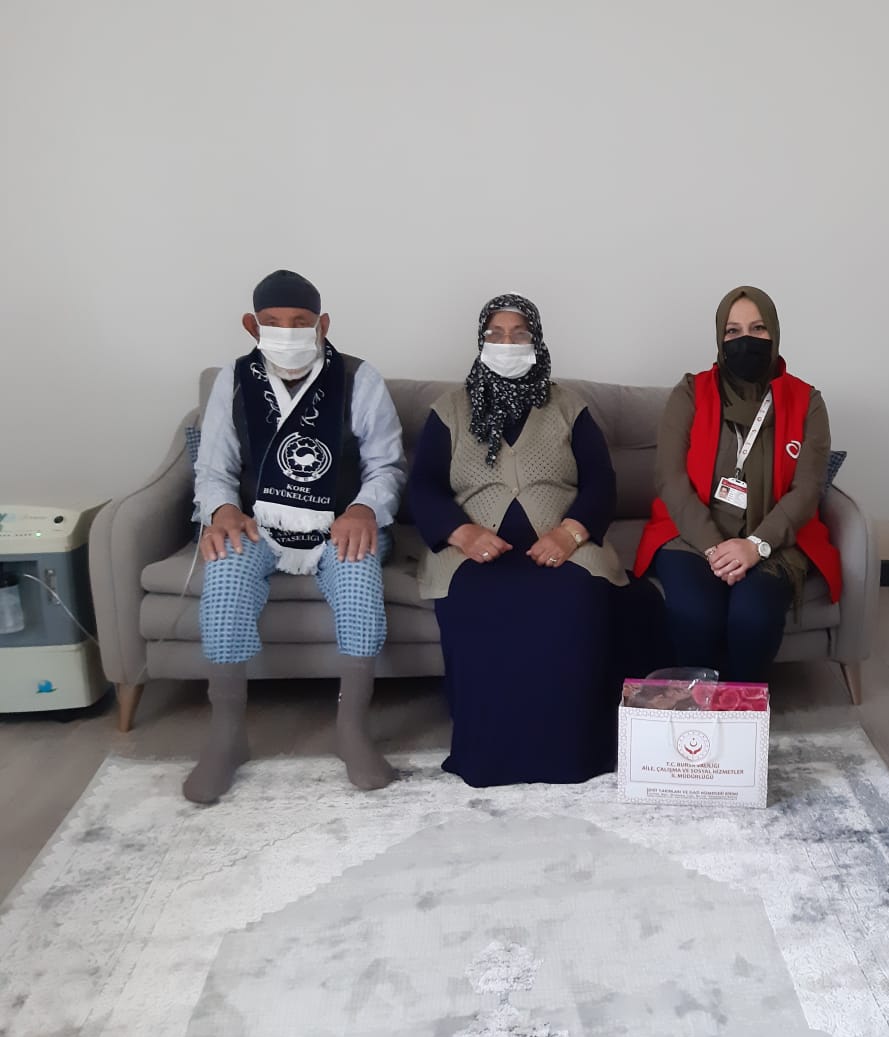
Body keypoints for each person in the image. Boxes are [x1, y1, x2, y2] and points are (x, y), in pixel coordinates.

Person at [190, 270, 406, 804]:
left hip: (340, 523)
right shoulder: (233, 380)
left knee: (358, 579)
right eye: (273, 322)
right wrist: (222, 510)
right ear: (252, 325)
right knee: (225, 574)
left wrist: (363, 509)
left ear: (322, 324)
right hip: (258, 524)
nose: (287, 332)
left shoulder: (359, 378)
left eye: (300, 322)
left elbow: (386, 466)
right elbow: (213, 467)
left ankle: (351, 730)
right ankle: (227, 735)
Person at [410, 293, 634, 787]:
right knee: (478, 608)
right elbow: (423, 485)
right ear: (480, 340)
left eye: (519, 334)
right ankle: (488, 756)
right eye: (495, 334)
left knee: (578, 601)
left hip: (564, 546)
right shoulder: (449, 409)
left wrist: (569, 534)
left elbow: (601, 481)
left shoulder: (568, 406)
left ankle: (576, 753)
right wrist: (462, 532)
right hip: (471, 553)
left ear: (537, 341)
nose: (506, 343)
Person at [634, 286, 841, 682]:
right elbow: (670, 478)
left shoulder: (807, 401)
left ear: (774, 332)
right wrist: (715, 547)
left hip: (774, 540)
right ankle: (700, 706)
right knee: (696, 613)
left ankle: (741, 707)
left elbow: (807, 489)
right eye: (733, 331)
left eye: (758, 328)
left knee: (754, 616)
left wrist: (755, 544)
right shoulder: (691, 392)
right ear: (720, 337)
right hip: (692, 536)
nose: (746, 340)